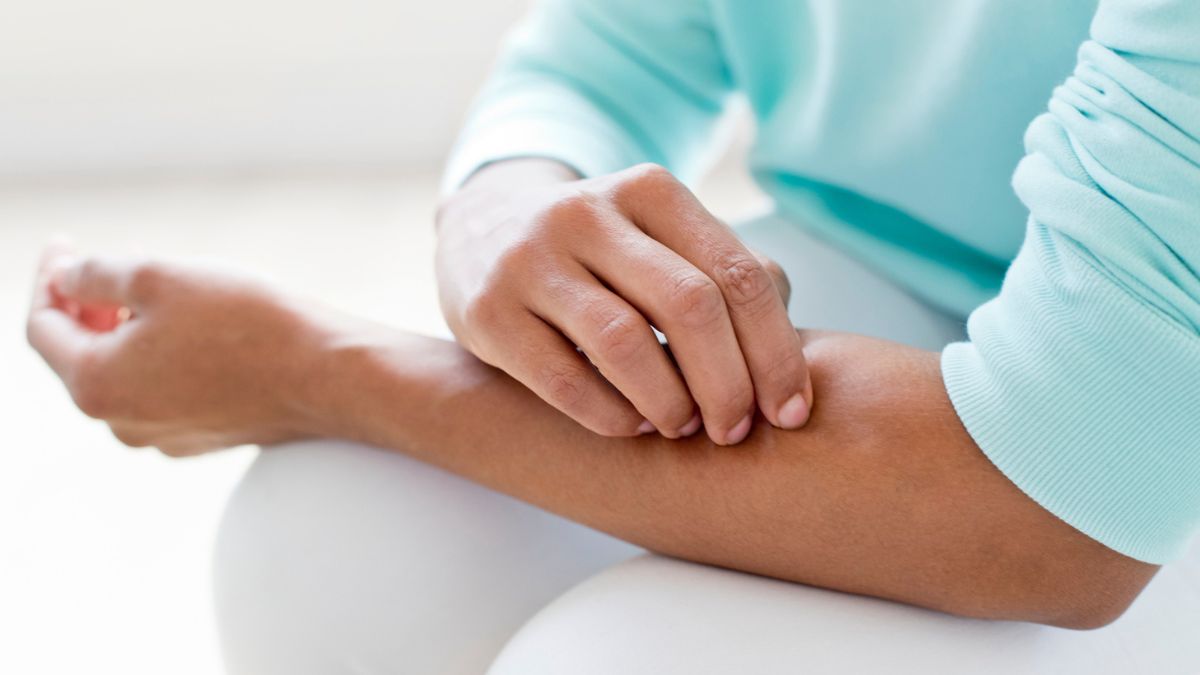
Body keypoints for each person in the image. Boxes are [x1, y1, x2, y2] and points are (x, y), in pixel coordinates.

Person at [26, 0, 1200, 672]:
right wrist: (504, 205)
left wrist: (319, 369)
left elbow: (1056, 507)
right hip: (899, 259)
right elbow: (616, 44)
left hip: (1149, 419)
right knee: (334, 531)